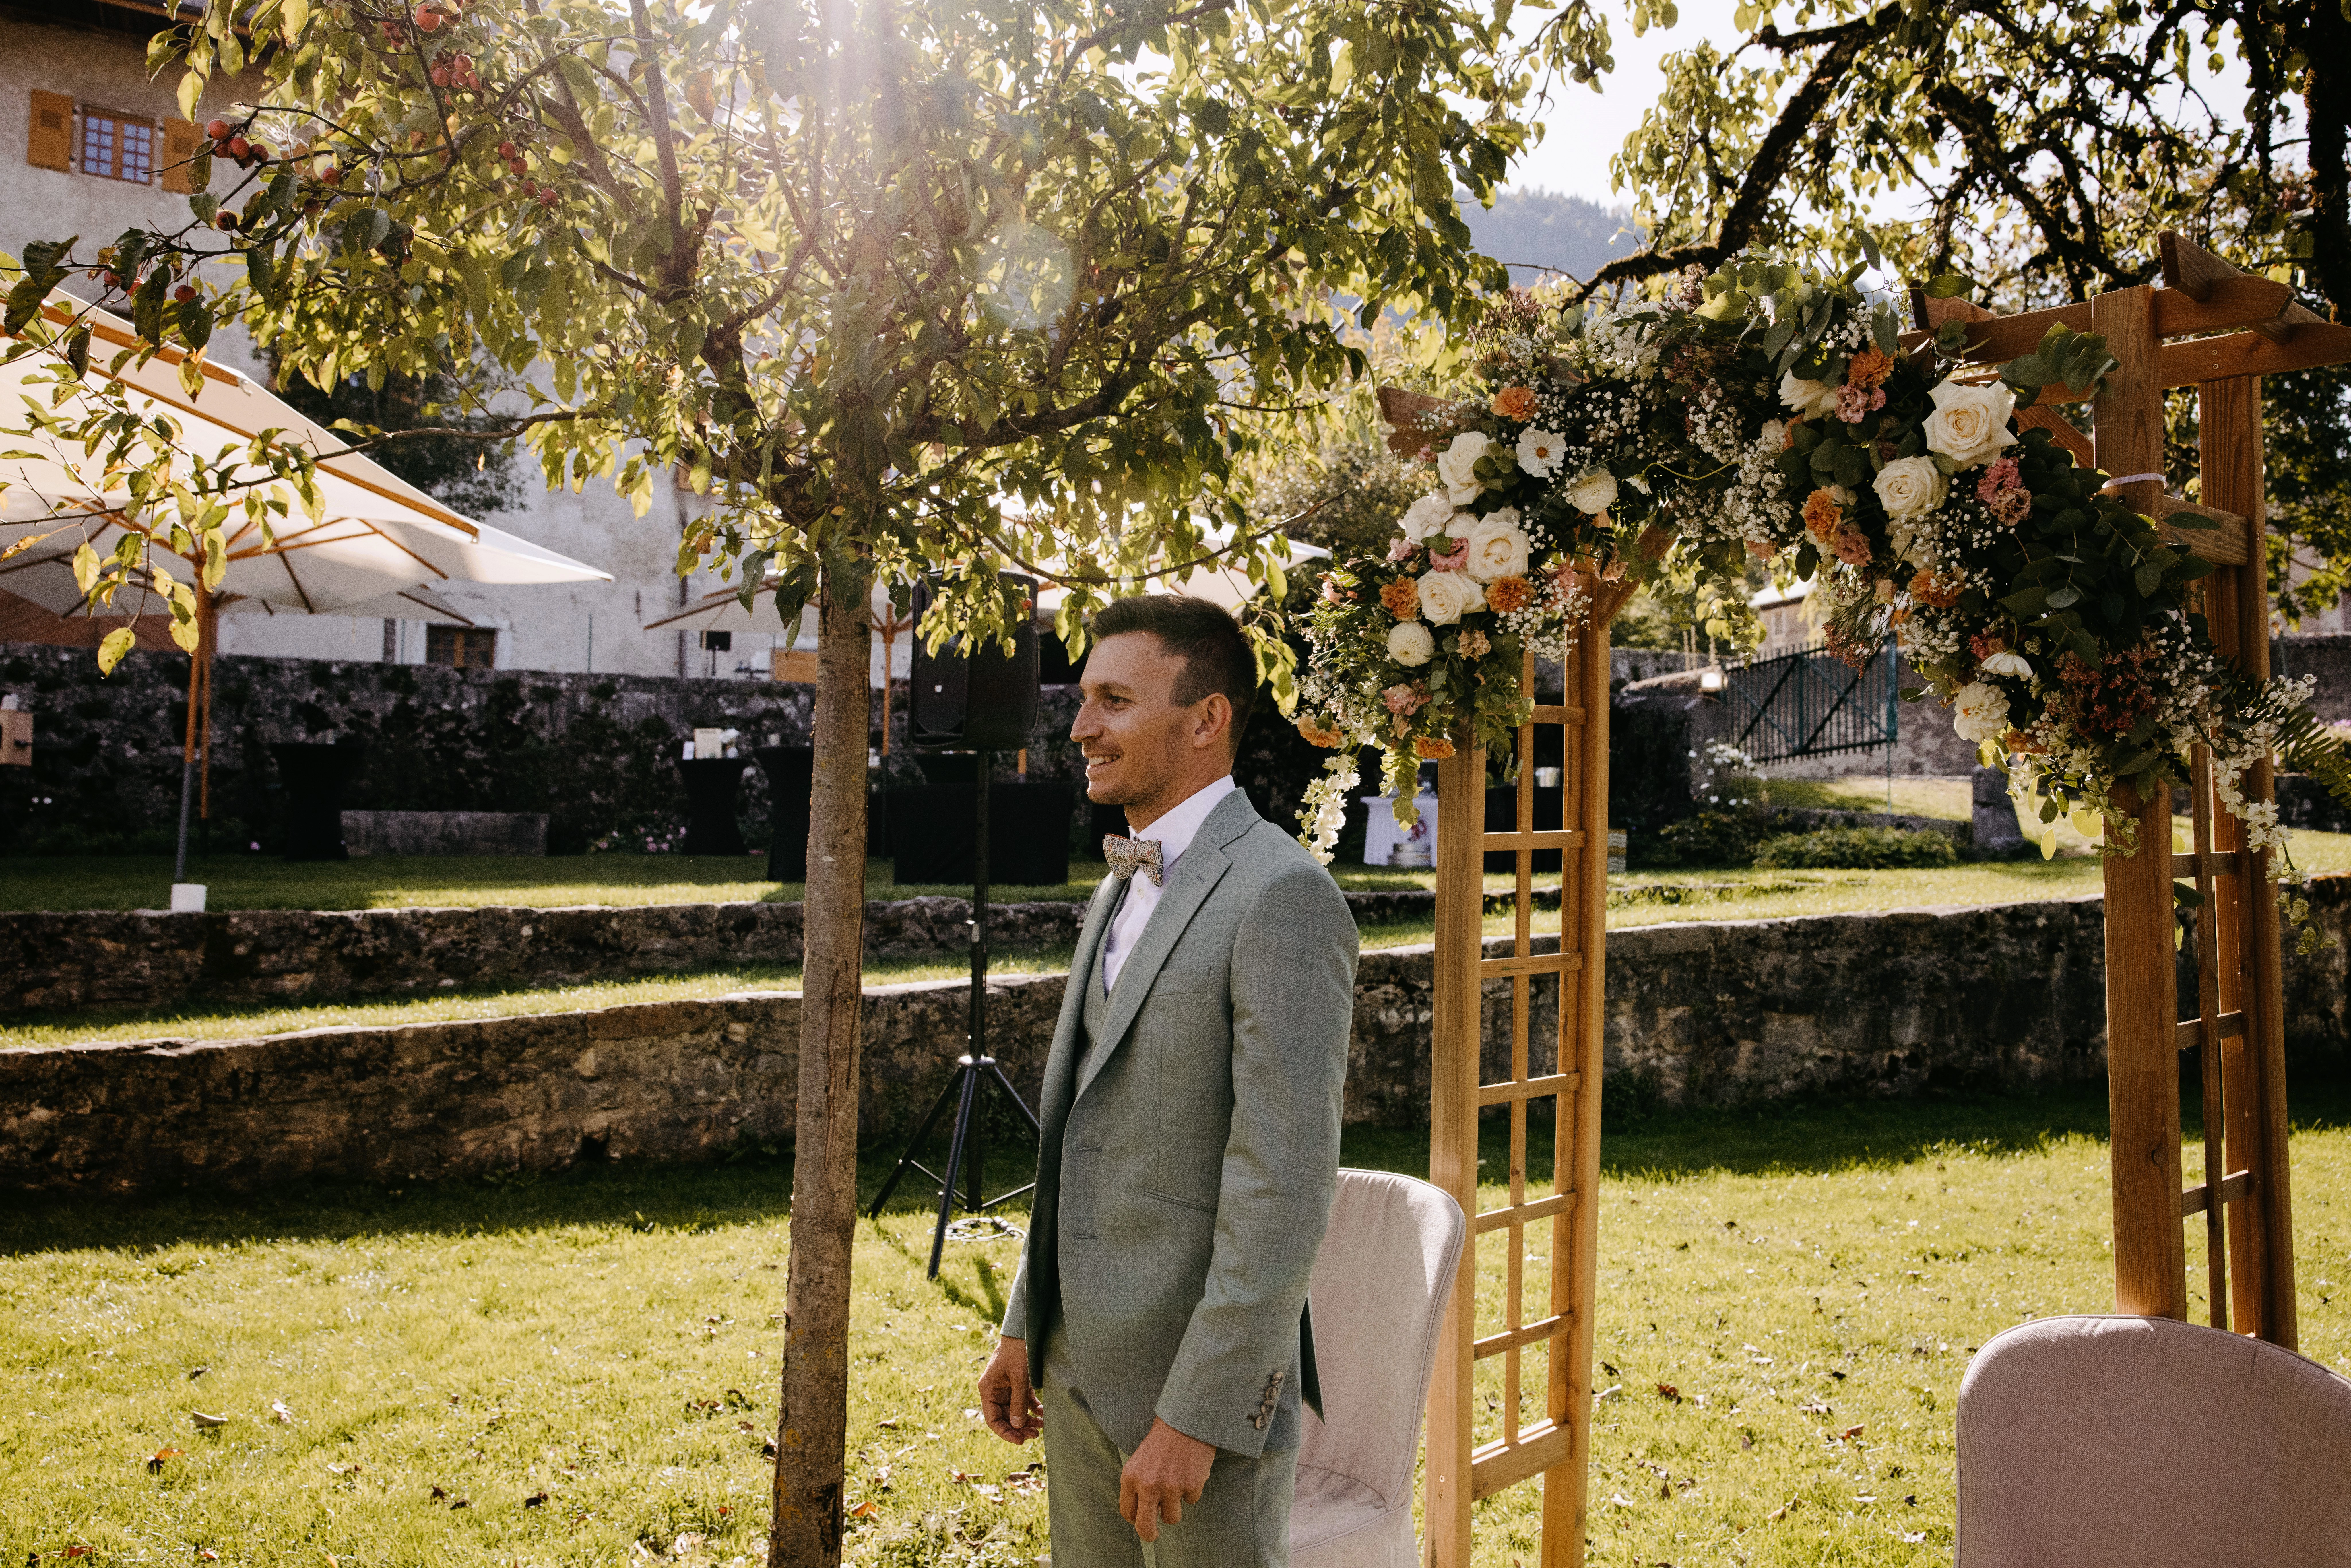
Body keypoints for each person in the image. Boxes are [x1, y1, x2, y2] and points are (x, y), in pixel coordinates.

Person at [975, 594, 1358, 1565]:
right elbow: (1074, 1129)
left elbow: (1284, 1182)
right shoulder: (1119, 882)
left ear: (1206, 720)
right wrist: (1027, 1324)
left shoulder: (1283, 897)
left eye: (1114, 699)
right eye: (1082, 699)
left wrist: (1200, 1414)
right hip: (1074, 1377)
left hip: (1195, 1403)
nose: (1082, 726)